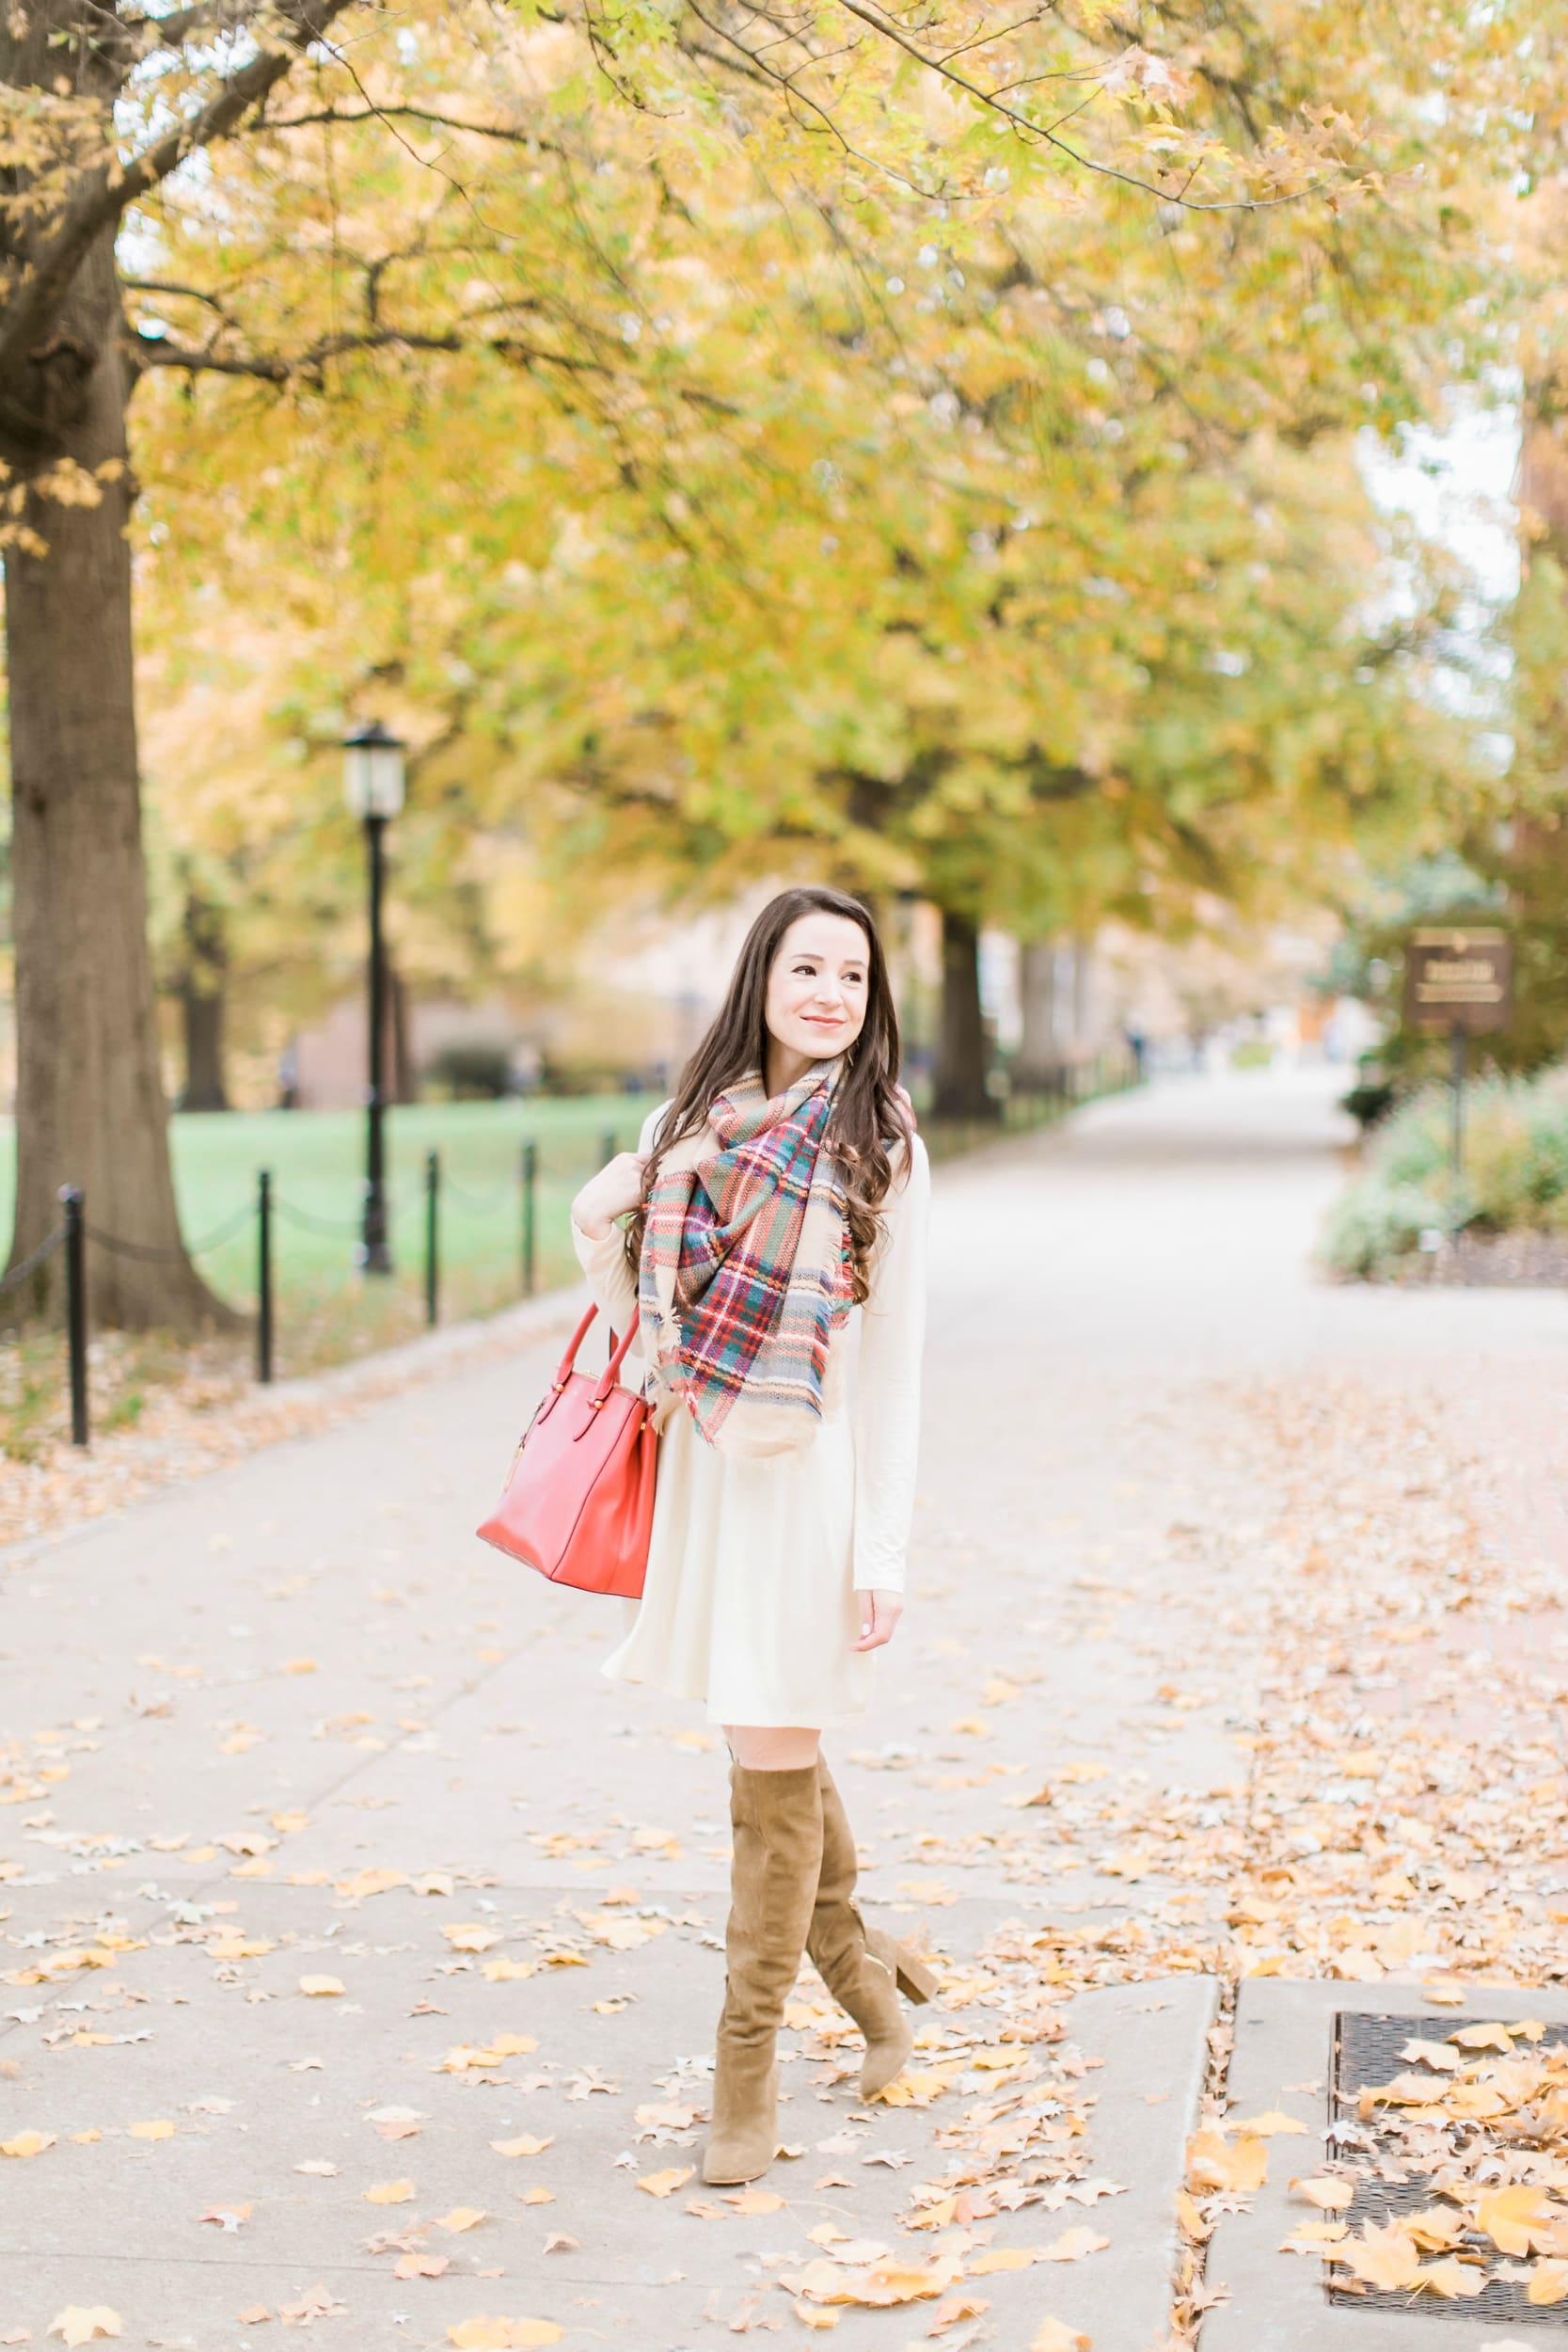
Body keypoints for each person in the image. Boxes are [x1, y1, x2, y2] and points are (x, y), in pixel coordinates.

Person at [569, 884, 932, 2186]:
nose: (831, 993)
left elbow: (894, 1367)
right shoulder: (690, 1131)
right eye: (808, 968)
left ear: (871, 997)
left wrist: (881, 1554)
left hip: (811, 1492)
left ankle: (745, 2072)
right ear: (762, 979)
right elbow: (640, 1334)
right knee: (769, 1746)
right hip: (709, 1484)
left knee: (769, 1775)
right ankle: (870, 1980)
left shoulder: (879, 1143)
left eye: (853, 974)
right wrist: (596, 1221)